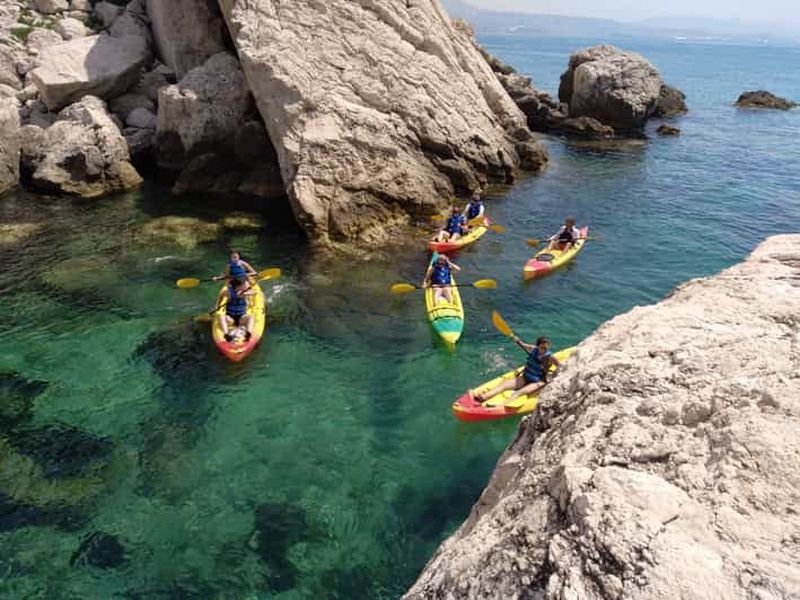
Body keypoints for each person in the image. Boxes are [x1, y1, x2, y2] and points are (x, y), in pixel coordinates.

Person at [474, 336, 560, 403]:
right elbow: (522, 344)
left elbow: (560, 366)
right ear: (537, 346)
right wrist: (517, 340)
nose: (544, 350)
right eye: (542, 348)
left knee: (519, 392)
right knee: (503, 385)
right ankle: (484, 397)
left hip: (538, 381)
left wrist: (553, 376)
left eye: (546, 348)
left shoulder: (550, 357)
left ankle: (501, 405)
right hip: (526, 377)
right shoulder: (533, 349)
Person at [217, 277, 256, 343]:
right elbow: (220, 297)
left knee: (251, 317)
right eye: (242, 286)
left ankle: (248, 334)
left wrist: (246, 294)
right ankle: (226, 335)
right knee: (221, 316)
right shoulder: (228, 291)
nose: (244, 287)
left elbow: (255, 292)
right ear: (237, 286)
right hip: (230, 318)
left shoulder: (245, 292)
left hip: (241, 317)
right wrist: (219, 305)